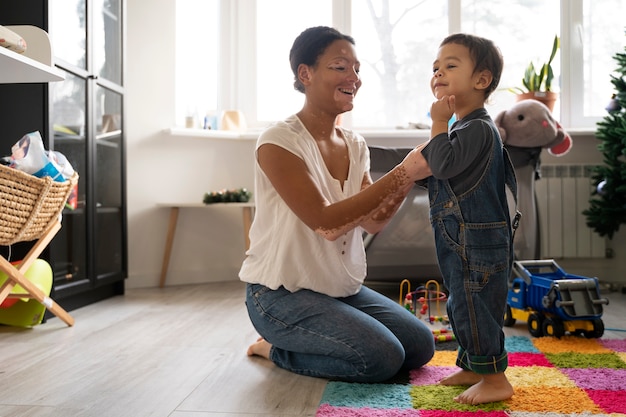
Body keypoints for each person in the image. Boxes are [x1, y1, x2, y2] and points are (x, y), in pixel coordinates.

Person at [240, 26, 435, 383]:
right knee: (382, 358)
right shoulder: (278, 141)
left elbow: (374, 222)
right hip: (280, 295)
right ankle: (274, 348)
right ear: (305, 73)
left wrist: (409, 177)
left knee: (421, 346)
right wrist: (402, 171)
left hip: (338, 289)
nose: (354, 78)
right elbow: (327, 224)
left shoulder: (354, 143)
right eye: (340, 66)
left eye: (357, 68)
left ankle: (321, 333)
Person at [419, 33, 518, 404]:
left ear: (481, 80)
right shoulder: (465, 127)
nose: (438, 73)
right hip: (462, 238)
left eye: (450, 65)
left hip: (476, 240)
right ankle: (474, 364)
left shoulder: (476, 127)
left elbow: (441, 164)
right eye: (435, 68)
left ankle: (495, 379)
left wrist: (436, 123)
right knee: (461, 302)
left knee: (475, 305)